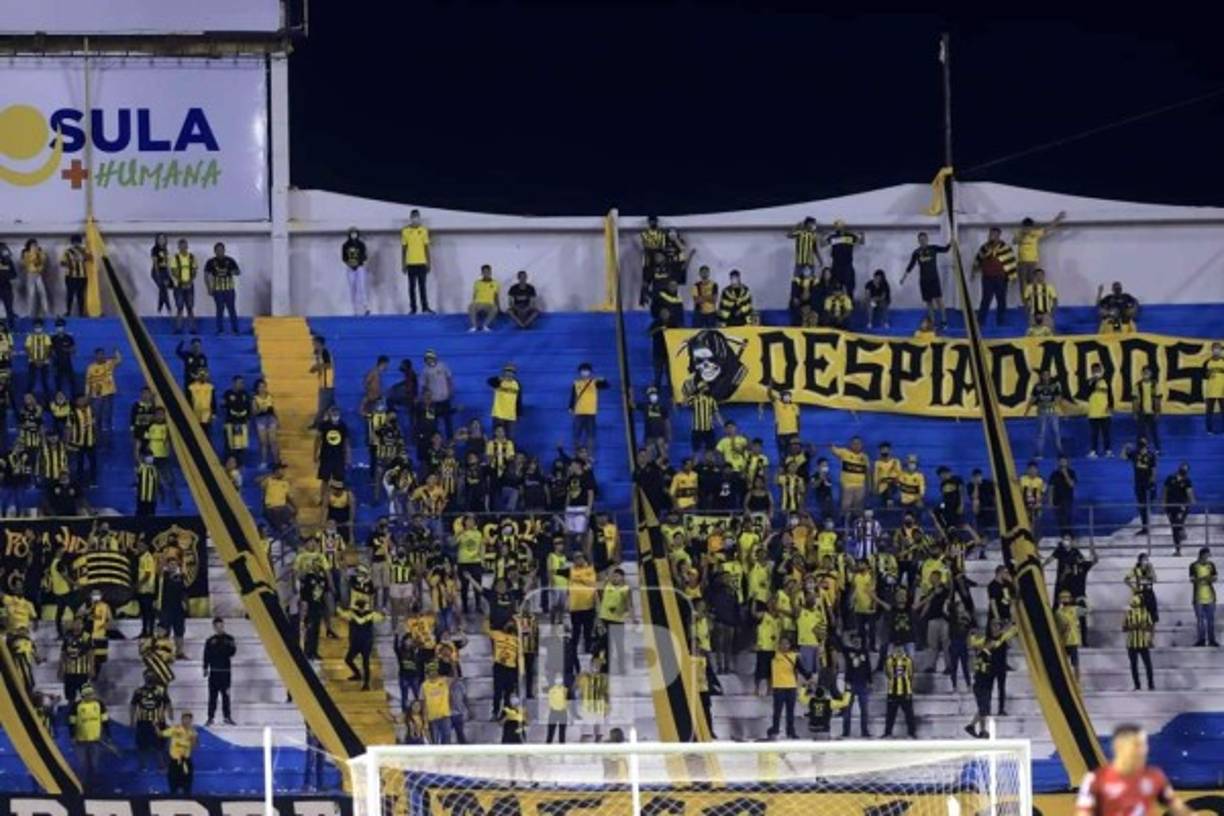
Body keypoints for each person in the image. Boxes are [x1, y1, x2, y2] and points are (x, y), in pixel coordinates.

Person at [1075, 724, 1191, 816]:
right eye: (1136, 745)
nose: (1141, 751)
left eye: (1143, 745)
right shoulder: (1095, 779)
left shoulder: (1155, 776)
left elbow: (1177, 807)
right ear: (1119, 747)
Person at [901, 232, 951, 328]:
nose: (923, 241)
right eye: (921, 240)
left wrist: (952, 242)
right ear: (918, 241)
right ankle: (932, 322)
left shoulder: (933, 248)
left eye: (924, 239)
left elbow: (946, 249)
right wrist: (903, 278)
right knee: (929, 303)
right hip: (924, 281)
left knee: (939, 301)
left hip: (934, 279)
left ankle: (944, 321)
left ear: (927, 239)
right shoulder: (916, 252)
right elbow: (910, 266)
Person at [972, 227, 1016, 325]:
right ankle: (980, 323)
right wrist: (973, 271)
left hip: (1001, 278)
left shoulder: (1005, 247)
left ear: (999, 235)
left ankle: (1000, 322)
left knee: (1001, 300)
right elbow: (977, 259)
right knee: (985, 300)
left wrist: (1012, 276)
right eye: (990, 234)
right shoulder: (984, 247)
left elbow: (1011, 261)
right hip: (987, 278)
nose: (992, 236)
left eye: (994, 235)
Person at [1026, 369, 1074, 458]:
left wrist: (1065, 413)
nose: (1046, 377)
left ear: (1049, 376)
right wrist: (1026, 411)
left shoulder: (1054, 386)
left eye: (1047, 375)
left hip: (1052, 412)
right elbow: (1032, 399)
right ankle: (1039, 453)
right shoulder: (1037, 386)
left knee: (1056, 433)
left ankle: (1060, 453)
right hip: (1041, 412)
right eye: (1044, 375)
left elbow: (1059, 400)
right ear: (1041, 376)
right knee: (1041, 434)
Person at [68, 684, 109, 789]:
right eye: (87, 695)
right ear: (82, 695)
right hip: (81, 740)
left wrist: (107, 735)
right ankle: (82, 785)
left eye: (91, 694)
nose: (89, 696)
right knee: (82, 764)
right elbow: (72, 722)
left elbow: (105, 721)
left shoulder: (99, 704)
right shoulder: (76, 706)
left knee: (95, 764)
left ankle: (96, 785)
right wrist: (72, 736)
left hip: (96, 739)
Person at [767, 636, 808, 739]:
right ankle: (775, 730)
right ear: (778, 644)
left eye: (787, 643)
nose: (784, 645)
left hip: (791, 686)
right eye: (782, 643)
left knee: (790, 712)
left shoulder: (794, 656)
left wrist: (810, 678)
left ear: (790, 645)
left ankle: (790, 731)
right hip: (778, 687)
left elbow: (802, 669)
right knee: (777, 712)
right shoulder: (773, 655)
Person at [339, 598, 385, 690]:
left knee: (350, 660)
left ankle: (362, 679)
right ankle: (364, 681)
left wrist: (339, 607)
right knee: (364, 663)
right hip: (366, 642)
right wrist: (382, 612)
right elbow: (381, 618)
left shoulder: (351, 614)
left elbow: (341, 613)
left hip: (357, 642)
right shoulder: (371, 614)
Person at [1013, 211, 1066, 287]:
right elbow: (1014, 241)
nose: (1027, 229)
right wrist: (1022, 235)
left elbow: (1049, 228)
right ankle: (1024, 298)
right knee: (1023, 284)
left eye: (1029, 227)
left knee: (1032, 283)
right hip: (1022, 263)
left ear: (1031, 227)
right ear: (1023, 227)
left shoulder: (1035, 233)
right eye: (1026, 227)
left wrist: (1058, 218)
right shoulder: (1019, 233)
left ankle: (1032, 298)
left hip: (1032, 262)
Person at [203, 617, 237, 725]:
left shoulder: (230, 639)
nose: (219, 629)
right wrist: (205, 668)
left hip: (225, 672)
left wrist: (224, 649)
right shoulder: (210, 641)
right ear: (214, 627)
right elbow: (206, 655)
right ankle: (210, 717)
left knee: (226, 696)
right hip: (214, 672)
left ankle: (227, 717)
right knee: (212, 696)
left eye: (221, 626)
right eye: (217, 627)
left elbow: (232, 652)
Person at [570, 362, 609, 451]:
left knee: (591, 435)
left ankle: (590, 455)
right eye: (583, 371)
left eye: (586, 371)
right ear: (579, 372)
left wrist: (604, 380)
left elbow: (606, 386)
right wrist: (571, 407)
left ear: (590, 372)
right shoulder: (576, 383)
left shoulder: (594, 382)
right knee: (576, 435)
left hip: (591, 413)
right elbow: (573, 396)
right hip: (579, 412)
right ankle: (576, 454)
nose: (584, 372)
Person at [204, 242, 241, 335]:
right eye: (217, 250)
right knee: (219, 309)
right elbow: (206, 275)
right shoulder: (210, 262)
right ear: (214, 251)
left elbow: (238, 272)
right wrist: (209, 288)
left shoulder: (230, 260)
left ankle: (235, 329)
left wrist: (233, 271)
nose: (219, 252)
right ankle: (220, 330)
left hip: (229, 289)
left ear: (224, 250)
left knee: (231, 309)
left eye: (221, 250)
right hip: (217, 290)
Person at [401, 209, 433, 314]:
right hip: (410, 263)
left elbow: (426, 247)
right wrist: (403, 263)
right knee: (411, 287)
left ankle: (425, 308)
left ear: (419, 218)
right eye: (413, 217)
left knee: (422, 286)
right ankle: (413, 308)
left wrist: (429, 262)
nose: (415, 219)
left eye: (417, 217)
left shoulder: (424, 230)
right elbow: (404, 249)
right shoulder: (405, 231)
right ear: (410, 218)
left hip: (422, 262)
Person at [882, 642, 917, 738]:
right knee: (890, 714)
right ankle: (887, 733)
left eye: (901, 649)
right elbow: (888, 674)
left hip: (906, 691)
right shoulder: (889, 660)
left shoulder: (908, 660)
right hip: (892, 692)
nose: (899, 651)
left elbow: (911, 674)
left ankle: (912, 733)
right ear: (893, 650)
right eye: (897, 649)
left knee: (909, 714)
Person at [822, 220, 864, 296]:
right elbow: (822, 245)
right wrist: (822, 236)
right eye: (837, 227)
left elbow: (861, 242)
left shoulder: (850, 236)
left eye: (840, 226)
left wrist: (862, 234)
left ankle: (849, 304)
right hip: (836, 266)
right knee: (835, 287)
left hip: (847, 266)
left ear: (843, 227)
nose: (839, 228)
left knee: (849, 287)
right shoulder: (833, 237)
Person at [84, 346, 121, 435]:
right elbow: (87, 382)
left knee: (108, 411)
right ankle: (97, 429)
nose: (101, 356)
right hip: (96, 394)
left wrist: (116, 352)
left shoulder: (109, 363)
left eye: (102, 354)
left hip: (109, 392)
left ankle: (108, 427)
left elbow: (119, 361)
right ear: (95, 356)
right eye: (99, 354)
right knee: (97, 413)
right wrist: (86, 393)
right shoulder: (91, 367)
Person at [1123, 594, 1155, 692]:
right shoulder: (1128, 613)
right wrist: (1132, 627)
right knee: (1134, 665)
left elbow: (1151, 627)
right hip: (1131, 643)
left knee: (1148, 665)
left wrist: (1149, 637)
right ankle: (1137, 685)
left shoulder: (1145, 613)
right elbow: (1124, 628)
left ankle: (1151, 685)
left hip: (1143, 643)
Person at [162, 712, 199, 794]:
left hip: (186, 761)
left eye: (189, 719)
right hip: (174, 761)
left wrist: (193, 738)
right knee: (173, 786)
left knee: (187, 786)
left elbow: (195, 747)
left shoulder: (193, 732)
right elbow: (164, 737)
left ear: (191, 720)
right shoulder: (175, 729)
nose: (186, 721)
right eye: (185, 718)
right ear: (182, 719)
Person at [1163, 463, 1195, 556]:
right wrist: (1164, 504)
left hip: (1181, 507)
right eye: (1182, 468)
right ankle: (1180, 533)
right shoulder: (1170, 478)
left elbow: (1190, 493)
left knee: (1176, 527)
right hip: (1170, 507)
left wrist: (1192, 501)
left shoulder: (1187, 481)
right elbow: (1165, 491)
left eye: (1185, 469)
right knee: (1174, 527)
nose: (1183, 470)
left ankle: (1178, 550)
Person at [1085, 362, 1113, 458]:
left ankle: (1108, 451)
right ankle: (1093, 451)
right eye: (1094, 370)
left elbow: (1110, 394)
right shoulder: (1089, 382)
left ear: (1101, 371)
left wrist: (1110, 406)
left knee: (1106, 433)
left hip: (1105, 412)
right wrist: (1094, 382)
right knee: (1094, 434)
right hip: (1093, 412)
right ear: (1091, 371)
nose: (1096, 372)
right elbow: (1086, 394)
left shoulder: (1106, 381)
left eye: (1098, 370)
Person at [1190, 547, 1217, 647]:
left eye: (1208, 555)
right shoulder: (1193, 565)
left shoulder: (1211, 565)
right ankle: (1201, 640)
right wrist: (1203, 579)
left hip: (1210, 596)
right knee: (1200, 620)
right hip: (1198, 597)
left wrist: (1209, 579)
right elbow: (1192, 579)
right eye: (1206, 555)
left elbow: (1214, 577)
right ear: (1202, 555)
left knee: (1211, 620)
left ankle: (1212, 640)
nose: (1207, 557)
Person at [171, 238, 198, 334]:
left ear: (187, 246)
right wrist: (182, 282)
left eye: (185, 246)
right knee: (179, 307)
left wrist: (189, 282)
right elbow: (174, 272)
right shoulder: (175, 258)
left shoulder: (192, 257)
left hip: (190, 285)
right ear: (178, 247)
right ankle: (178, 328)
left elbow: (194, 271)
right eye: (181, 246)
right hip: (179, 286)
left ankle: (193, 329)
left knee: (190, 307)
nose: (183, 248)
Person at [60, 233, 91, 317]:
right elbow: (62, 263)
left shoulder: (84, 251)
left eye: (78, 242)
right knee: (70, 295)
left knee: (80, 296)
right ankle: (68, 312)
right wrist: (69, 264)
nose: (76, 244)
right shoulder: (67, 252)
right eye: (75, 242)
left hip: (82, 277)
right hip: (70, 277)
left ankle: (81, 313)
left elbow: (91, 259)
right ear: (72, 242)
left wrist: (85, 256)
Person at [341, 227, 369, 316]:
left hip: (359, 268)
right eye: (352, 233)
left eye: (355, 233)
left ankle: (365, 307)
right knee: (353, 289)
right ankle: (355, 310)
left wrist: (358, 263)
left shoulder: (361, 244)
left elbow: (365, 256)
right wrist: (350, 264)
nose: (354, 235)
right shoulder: (345, 245)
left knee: (361, 287)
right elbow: (344, 258)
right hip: (350, 269)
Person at [1133, 366, 1162, 452]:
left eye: (1148, 372)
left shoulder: (1155, 384)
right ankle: (1140, 449)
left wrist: (1158, 412)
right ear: (1141, 374)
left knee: (1154, 432)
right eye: (1144, 372)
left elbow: (1157, 399)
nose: (1146, 374)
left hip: (1152, 412)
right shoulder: (1137, 385)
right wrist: (1135, 412)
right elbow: (1135, 400)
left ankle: (1157, 449)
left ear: (1151, 374)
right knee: (1140, 432)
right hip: (1141, 412)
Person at [1048, 456, 1078, 539]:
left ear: (1068, 462)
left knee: (1067, 518)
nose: (1063, 463)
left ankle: (1070, 536)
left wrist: (1066, 475)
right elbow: (1051, 487)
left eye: (1064, 461)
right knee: (1060, 520)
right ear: (1058, 462)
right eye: (1061, 461)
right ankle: (1063, 536)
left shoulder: (1072, 472)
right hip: (1056, 500)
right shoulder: (1054, 474)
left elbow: (1072, 485)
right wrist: (1050, 500)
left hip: (1067, 500)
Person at [309, 334, 335, 427]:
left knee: (322, 407)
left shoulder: (325, 352)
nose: (313, 345)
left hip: (327, 385)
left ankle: (317, 424)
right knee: (327, 406)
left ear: (319, 343)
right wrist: (314, 368)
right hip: (323, 384)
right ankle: (322, 423)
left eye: (314, 343)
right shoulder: (318, 354)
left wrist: (317, 367)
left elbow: (328, 365)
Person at [21, 238, 51, 317]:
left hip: (38, 275)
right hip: (30, 275)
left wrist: (39, 253)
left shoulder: (40, 252)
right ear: (29, 246)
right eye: (33, 245)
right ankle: (29, 314)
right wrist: (32, 253)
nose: (35, 246)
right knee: (31, 295)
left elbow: (43, 261)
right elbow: (25, 264)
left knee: (43, 293)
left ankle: (47, 313)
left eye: (36, 244)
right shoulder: (25, 253)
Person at [468, 264, 500, 332]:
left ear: (490, 272)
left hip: (489, 304)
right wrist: (473, 303)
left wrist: (498, 307)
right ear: (482, 273)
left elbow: (496, 296)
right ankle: (474, 326)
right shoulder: (477, 283)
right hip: (478, 303)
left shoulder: (496, 283)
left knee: (495, 308)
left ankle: (485, 326)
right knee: (471, 306)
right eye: (484, 272)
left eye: (488, 271)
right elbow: (474, 295)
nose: (486, 273)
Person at [24, 317, 51, 396]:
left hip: (44, 362)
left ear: (42, 327)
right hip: (32, 362)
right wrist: (35, 360)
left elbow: (48, 349)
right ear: (33, 327)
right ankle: (28, 401)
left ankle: (47, 403)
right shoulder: (30, 337)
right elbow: (27, 349)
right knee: (31, 381)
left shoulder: (46, 336)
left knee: (45, 382)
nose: (38, 328)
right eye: (36, 326)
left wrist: (42, 360)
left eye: (39, 326)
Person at [51, 318, 76, 397]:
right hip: (57, 364)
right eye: (58, 326)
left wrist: (67, 350)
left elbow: (73, 349)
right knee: (58, 384)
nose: (59, 328)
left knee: (72, 382)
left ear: (64, 327)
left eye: (61, 326)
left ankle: (74, 400)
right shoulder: (53, 338)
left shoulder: (69, 338)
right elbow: (50, 350)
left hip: (67, 363)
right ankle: (58, 402)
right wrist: (53, 353)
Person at [1205, 342, 1224, 435]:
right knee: (1209, 413)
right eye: (1215, 348)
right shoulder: (1208, 362)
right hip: (1210, 392)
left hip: (1222, 392)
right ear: (1212, 350)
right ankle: (1209, 430)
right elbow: (1205, 375)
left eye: (1218, 348)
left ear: (1221, 350)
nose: (1217, 350)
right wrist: (1209, 373)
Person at [0, 242, 16, 321]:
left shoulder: (8, 262)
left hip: (6, 287)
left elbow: (13, 275)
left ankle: (10, 328)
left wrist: (4, 270)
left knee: (9, 310)